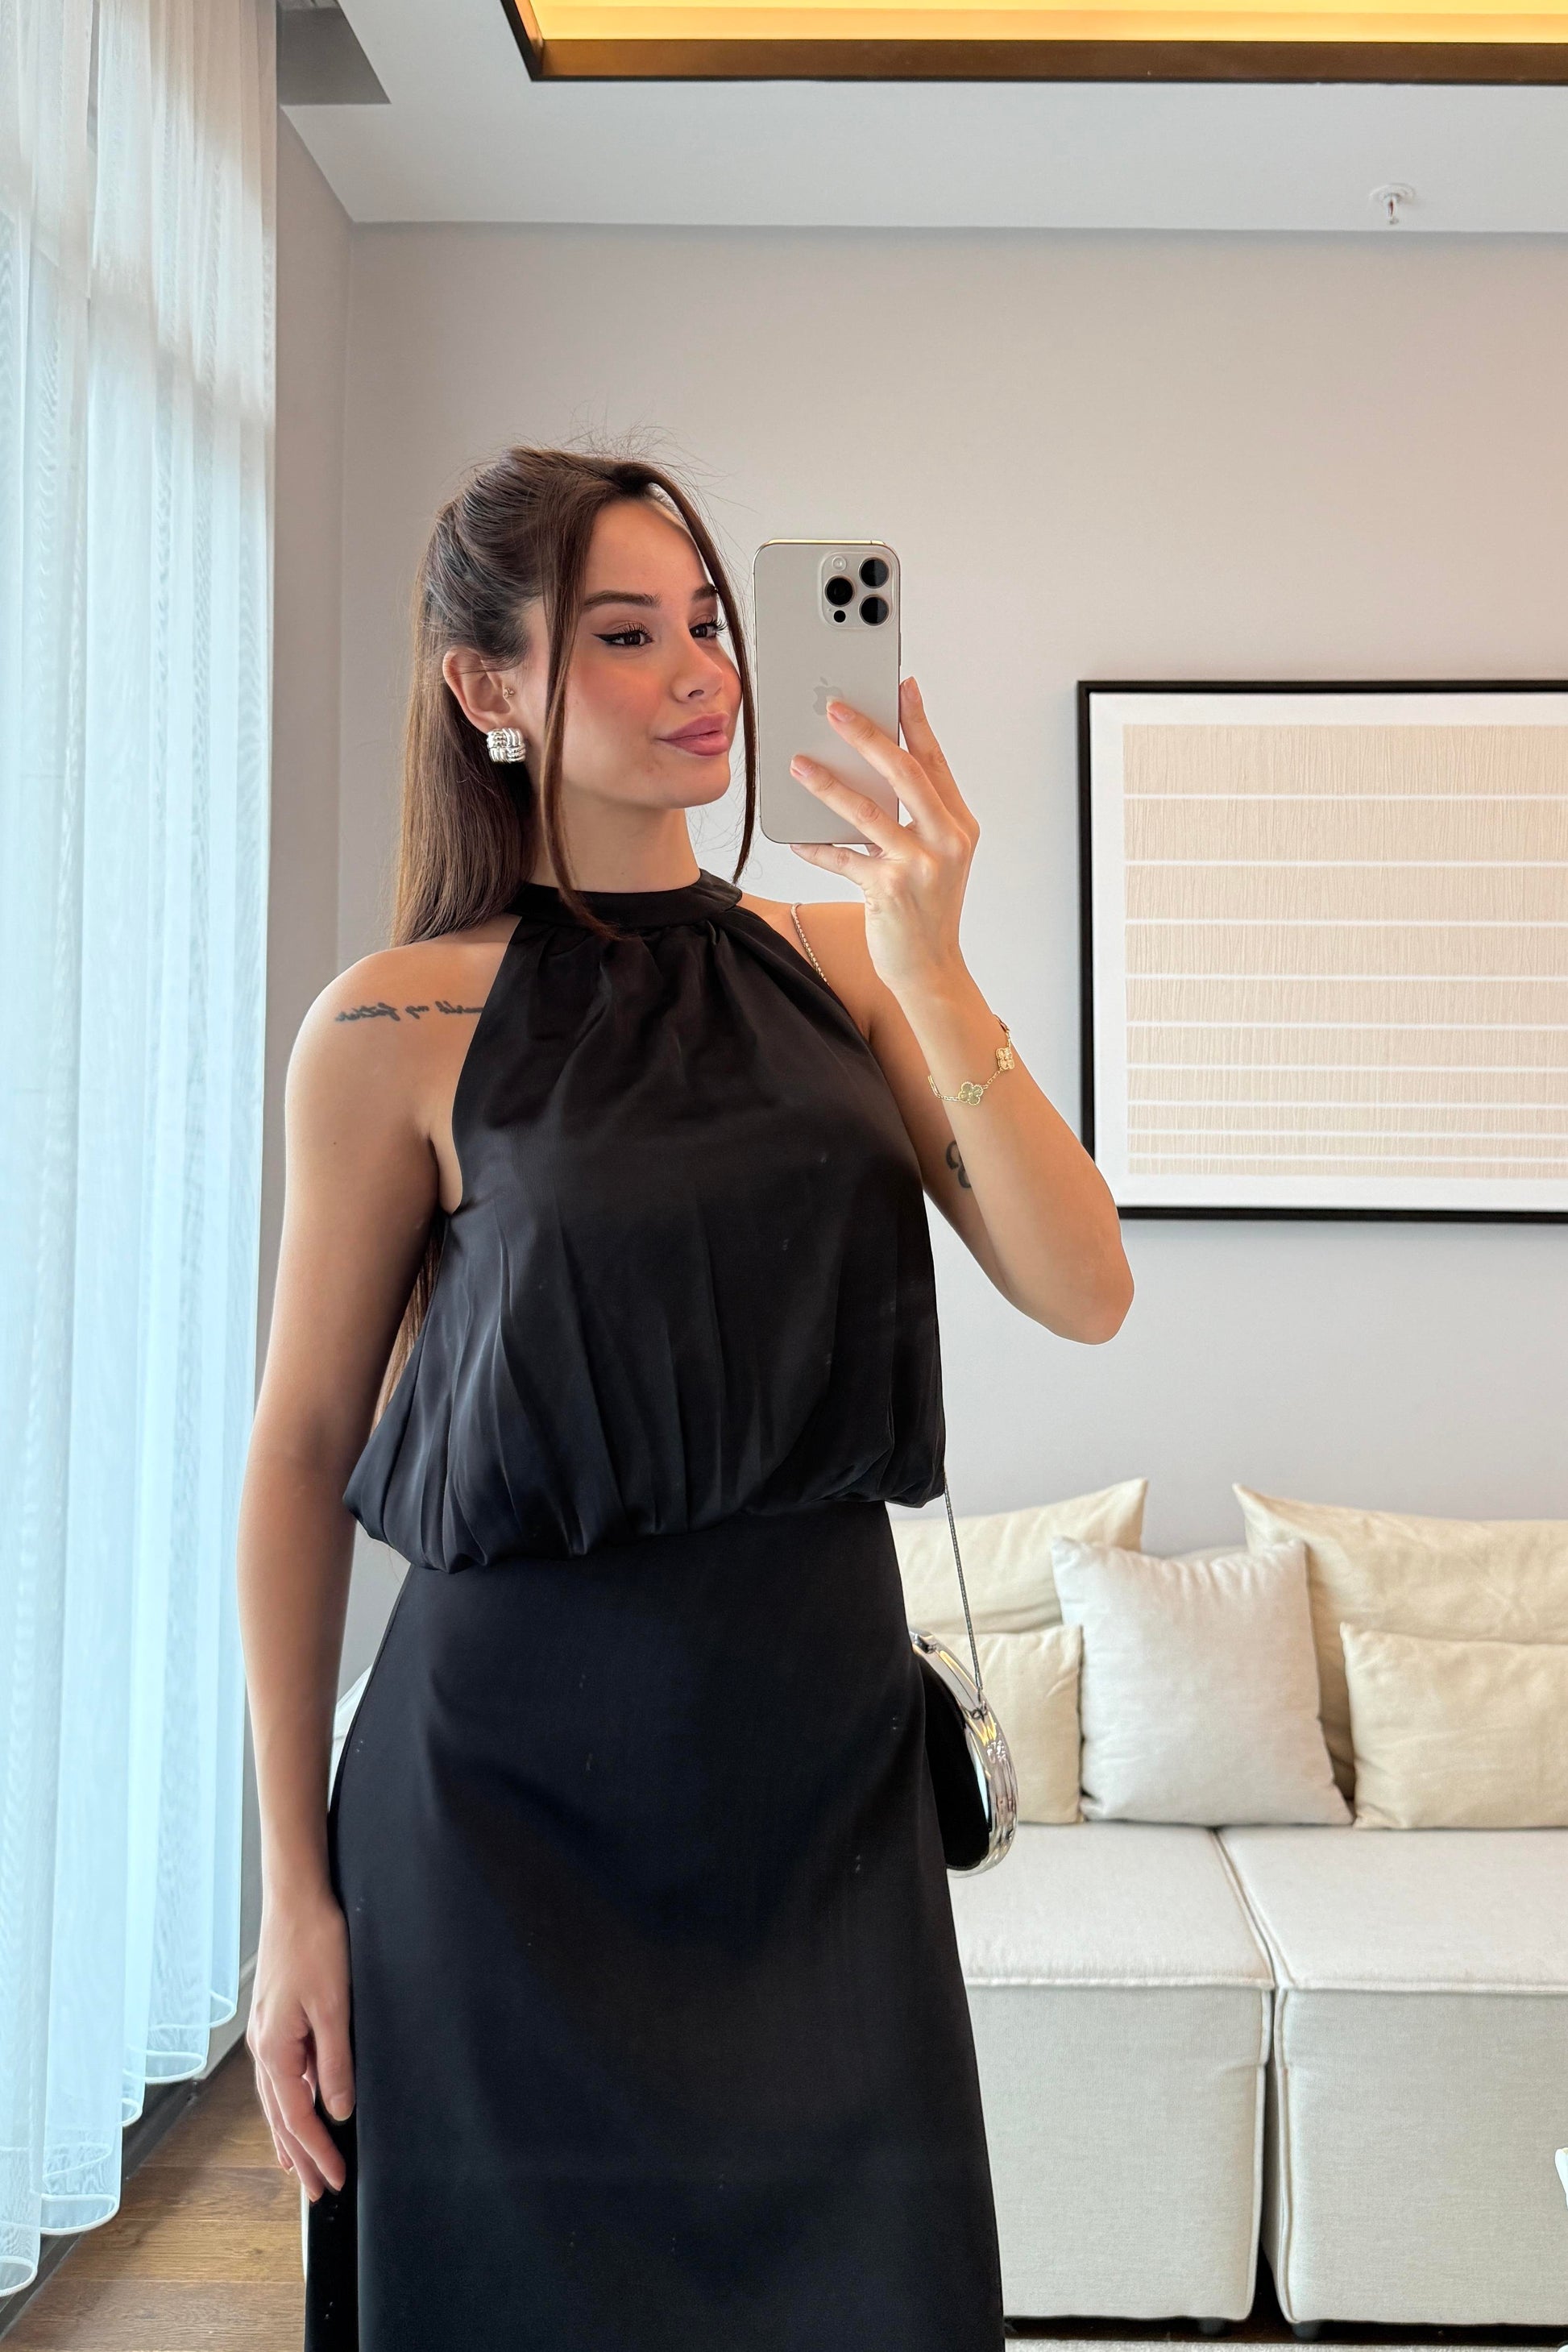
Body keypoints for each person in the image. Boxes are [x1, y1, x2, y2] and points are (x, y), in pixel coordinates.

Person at [239, 444, 1134, 2352]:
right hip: (493, 1813)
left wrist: (934, 963)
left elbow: (1085, 1286)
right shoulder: (392, 1021)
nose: (700, 672)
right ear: (489, 686)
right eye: (625, 634)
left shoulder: (851, 968)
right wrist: (291, 1896)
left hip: (815, 1797)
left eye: (709, 623)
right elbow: (301, 1454)